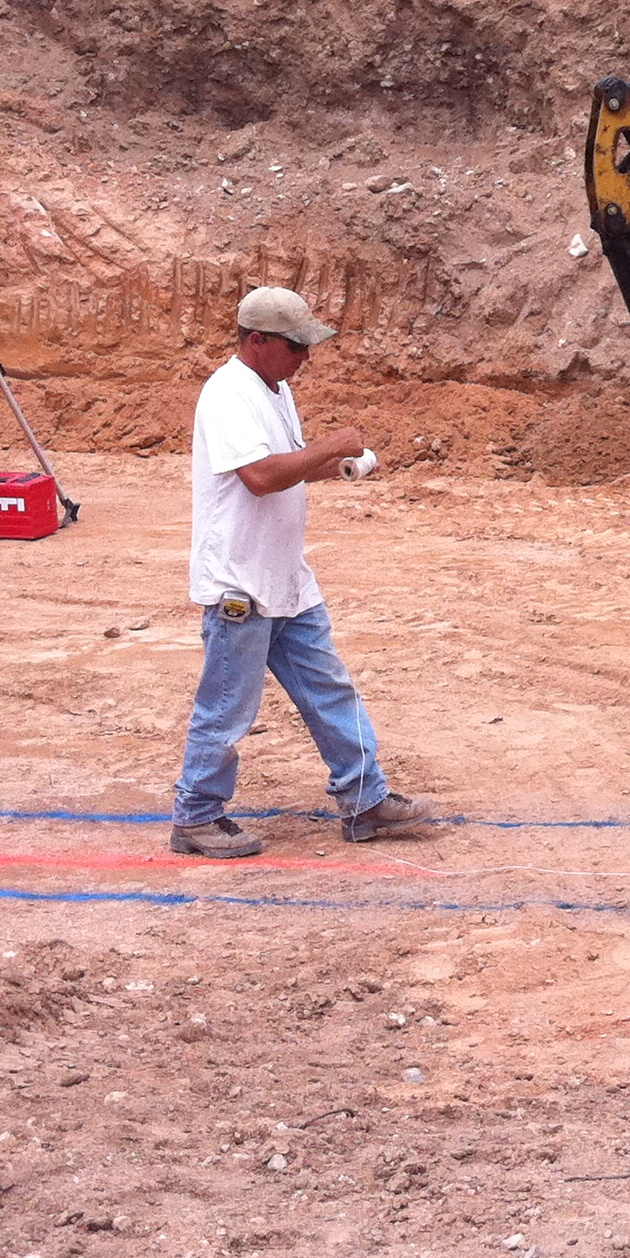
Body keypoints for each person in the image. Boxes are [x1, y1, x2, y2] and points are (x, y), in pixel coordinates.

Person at [168, 286, 425, 858]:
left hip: (285, 578)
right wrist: (330, 447)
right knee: (229, 704)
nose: (305, 357)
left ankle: (365, 798)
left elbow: (285, 468)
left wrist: (337, 465)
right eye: (296, 345)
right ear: (257, 341)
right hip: (242, 582)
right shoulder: (229, 393)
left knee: (330, 689)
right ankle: (196, 815)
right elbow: (259, 476)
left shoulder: (274, 387)